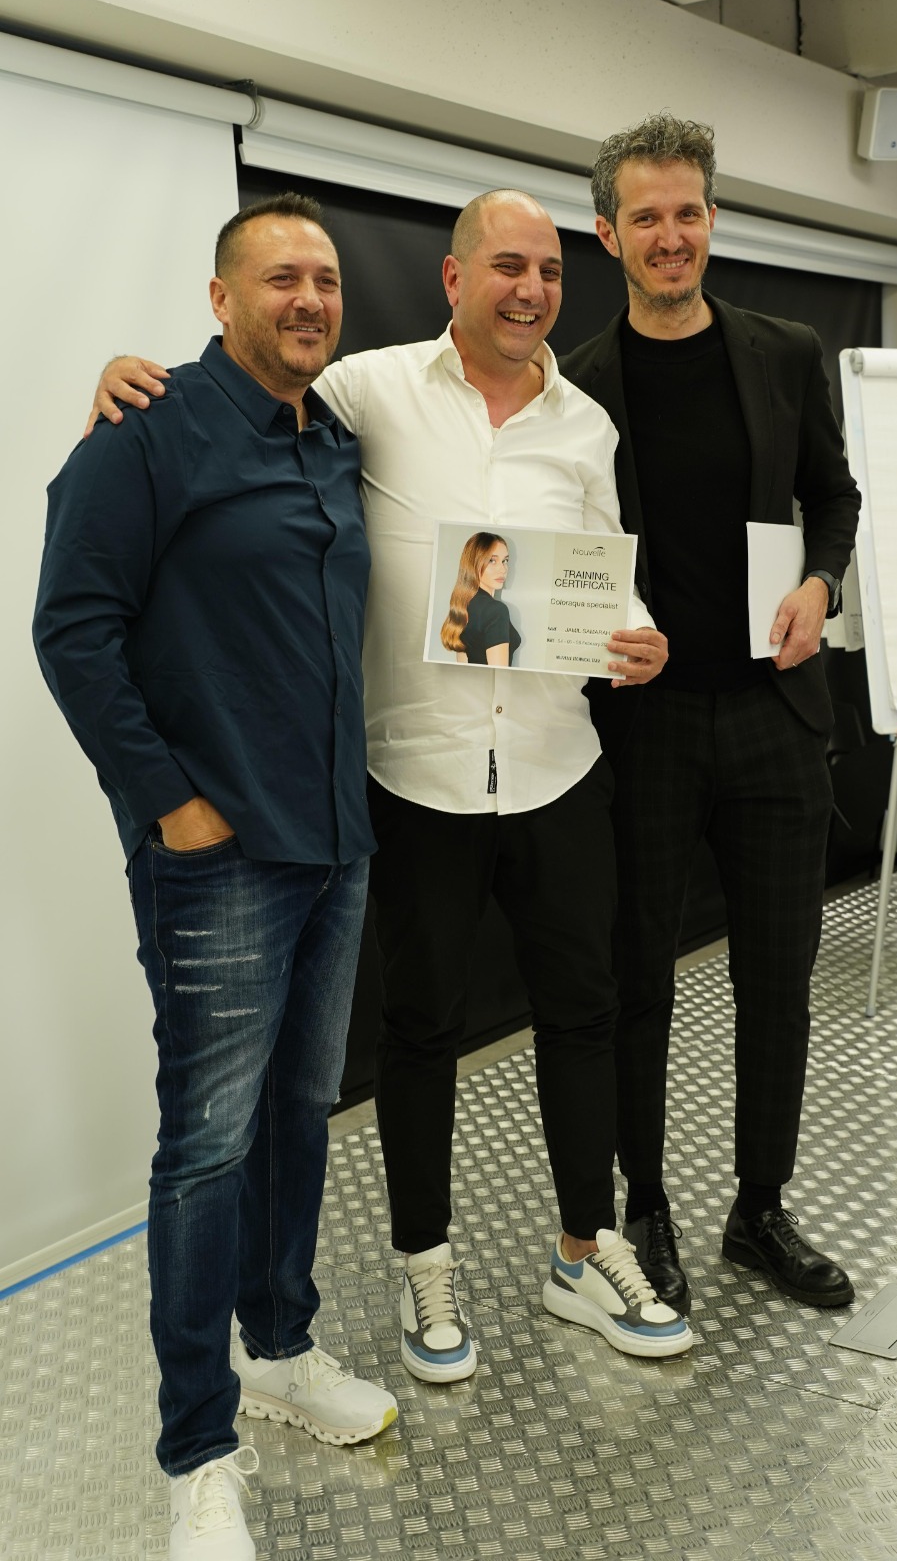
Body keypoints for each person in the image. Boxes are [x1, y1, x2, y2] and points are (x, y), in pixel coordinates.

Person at [87, 189, 695, 1387]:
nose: (531, 290)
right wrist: (127, 377)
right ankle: (426, 1265)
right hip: (414, 773)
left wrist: (637, 630)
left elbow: (605, 567)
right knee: (421, 1029)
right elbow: (251, 376)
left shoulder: (585, 424)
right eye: (507, 266)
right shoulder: (367, 388)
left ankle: (585, 1248)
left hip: (556, 764)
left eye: (550, 272)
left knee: (585, 1012)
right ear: (454, 279)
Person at [36, 194, 398, 1561]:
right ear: (219, 298)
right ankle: (197, 1450)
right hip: (219, 864)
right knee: (206, 1147)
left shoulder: (335, 438)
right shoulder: (145, 435)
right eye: (280, 278)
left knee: (300, 1113)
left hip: (335, 843)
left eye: (325, 280)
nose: (309, 299)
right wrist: (171, 806)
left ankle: (281, 1347)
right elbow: (72, 631)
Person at [560, 115, 862, 1316]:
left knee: (778, 980)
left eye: (687, 212)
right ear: (608, 234)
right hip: (644, 727)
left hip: (774, 716)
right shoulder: (575, 384)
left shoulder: (785, 353)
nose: (670, 234)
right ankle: (646, 1205)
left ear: (711, 219)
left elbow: (832, 494)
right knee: (639, 978)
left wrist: (820, 583)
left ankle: (760, 1207)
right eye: (646, 216)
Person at [441, 531, 522, 666]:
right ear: (474, 563)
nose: (503, 569)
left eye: (505, 561)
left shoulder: (463, 604)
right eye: (492, 560)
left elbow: (463, 664)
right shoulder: (496, 611)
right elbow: (498, 673)